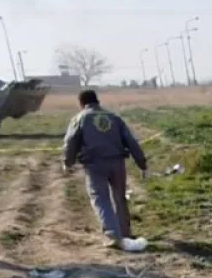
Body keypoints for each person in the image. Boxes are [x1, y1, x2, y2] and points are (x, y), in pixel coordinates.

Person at [63, 89, 149, 251]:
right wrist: (142, 164)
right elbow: (131, 141)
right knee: (120, 198)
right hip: (117, 163)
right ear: (98, 101)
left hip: (95, 165)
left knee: (100, 198)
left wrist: (68, 163)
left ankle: (113, 235)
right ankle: (125, 233)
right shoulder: (114, 117)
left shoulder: (80, 118)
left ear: (81, 103)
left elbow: (71, 141)